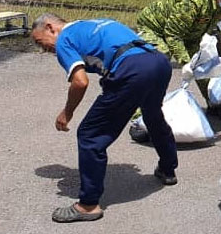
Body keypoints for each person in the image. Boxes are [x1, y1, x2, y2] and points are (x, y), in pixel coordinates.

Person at [30, 14, 177, 223]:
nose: (44, 49)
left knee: (90, 135)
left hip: (132, 70)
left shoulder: (64, 39)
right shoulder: (92, 23)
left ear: (50, 27)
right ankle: (168, 169)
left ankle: (88, 205)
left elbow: (80, 82)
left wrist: (67, 112)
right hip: (158, 62)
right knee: (152, 115)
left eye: (40, 42)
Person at [135, 0, 221, 121]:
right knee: (160, 63)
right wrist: (186, 63)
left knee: (206, 64)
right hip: (154, 29)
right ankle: (140, 117)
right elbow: (172, 34)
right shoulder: (191, 2)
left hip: (188, 34)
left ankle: (215, 103)